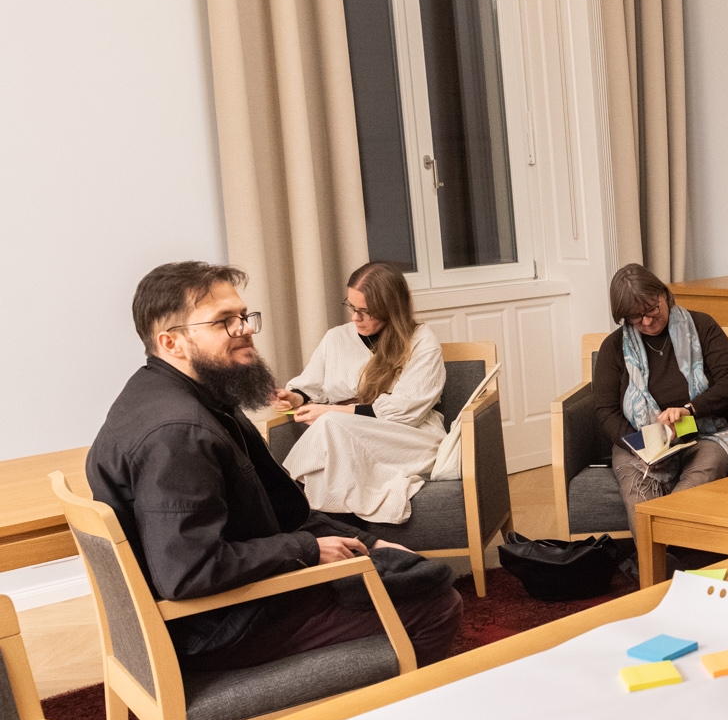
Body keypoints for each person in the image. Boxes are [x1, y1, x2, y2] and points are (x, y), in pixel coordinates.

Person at [87, 262, 462, 671]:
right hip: (223, 627)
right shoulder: (179, 434)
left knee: (413, 573)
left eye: (243, 316)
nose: (245, 329)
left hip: (232, 606)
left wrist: (369, 543)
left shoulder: (188, 398)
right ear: (171, 342)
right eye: (224, 321)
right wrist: (308, 550)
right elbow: (188, 573)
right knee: (436, 605)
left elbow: (284, 510)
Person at [271, 260, 447, 525]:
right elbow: (310, 386)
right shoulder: (336, 338)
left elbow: (404, 412)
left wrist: (332, 411)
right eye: (352, 307)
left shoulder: (421, 342)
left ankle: (283, 495)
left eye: (366, 311)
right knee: (333, 433)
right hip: (343, 438)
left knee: (330, 424)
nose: (355, 318)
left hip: (408, 439)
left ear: (390, 309)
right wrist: (294, 398)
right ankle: (340, 531)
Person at [591, 264, 728, 513]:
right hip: (638, 440)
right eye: (636, 317)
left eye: (651, 309)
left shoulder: (701, 326)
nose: (646, 321)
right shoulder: (613, 347)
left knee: (697, 482)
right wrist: (644, 445)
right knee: (638, 496)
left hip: (701, 432)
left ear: (663, 294)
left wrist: (689, 410)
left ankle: (667, 533)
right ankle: (660, 540)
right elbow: (606, 411)